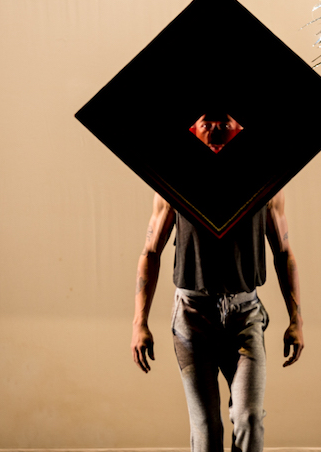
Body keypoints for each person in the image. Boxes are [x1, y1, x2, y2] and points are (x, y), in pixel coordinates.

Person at [130, 113, 304, 452]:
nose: (215, 130)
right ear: (193, 128)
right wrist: (140, 322)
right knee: (207, 430)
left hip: (245, 313)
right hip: (193, 316)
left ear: (240, 126)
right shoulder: (174, 181)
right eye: (207, 122)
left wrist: (296, 320)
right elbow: (150, 252)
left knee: (250, 418)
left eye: (224, 121)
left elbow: (284, 253)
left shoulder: (265, 182)